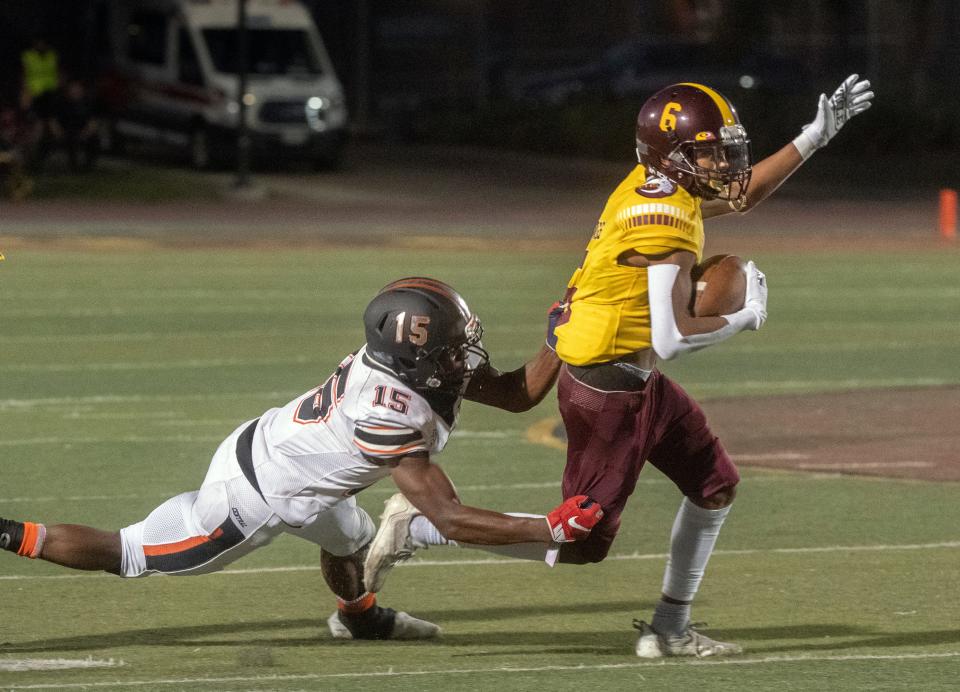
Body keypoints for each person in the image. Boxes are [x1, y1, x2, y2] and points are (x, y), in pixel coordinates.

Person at [363, 75, 875, 656]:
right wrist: (748, 314)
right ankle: (424, 526)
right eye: (707, 149)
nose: (722, 160)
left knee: (714, 486)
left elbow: (740, 194)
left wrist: (814, 136)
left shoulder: (659, 182)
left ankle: (670, 627)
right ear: (671, 156)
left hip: (629, 371)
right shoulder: (664, 218)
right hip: (605, 389)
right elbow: (675, 336)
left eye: (722, 147)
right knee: (583, 540)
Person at [0, 277, 603, 641]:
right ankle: (8, 531)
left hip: (284, 455)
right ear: (414, 358)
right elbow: (448, 516)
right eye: (451, 347)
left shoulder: (405, 362)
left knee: (351, 539)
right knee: (130, 553)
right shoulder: (388, 405)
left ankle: (359, 618)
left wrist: (558, 340)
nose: (463, 356)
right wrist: (545, 529)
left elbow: (514, 394)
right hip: (252, 500)